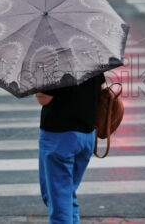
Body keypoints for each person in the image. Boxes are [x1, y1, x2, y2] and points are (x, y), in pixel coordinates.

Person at [35, 72, 106, 224]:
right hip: (87, 135)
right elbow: (102, 88)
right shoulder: (92, 57)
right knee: (66, 194)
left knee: (58, 200)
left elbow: (43, 98)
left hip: (60, 136)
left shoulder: (54, 61)